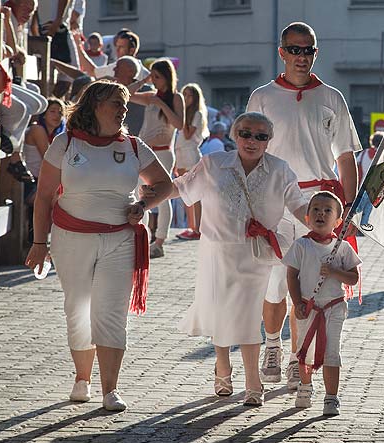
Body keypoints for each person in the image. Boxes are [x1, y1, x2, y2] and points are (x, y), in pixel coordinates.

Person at [24, 81, 172, 411]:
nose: (123, 109)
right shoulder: (65, 144)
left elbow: (165, 185)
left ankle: (110, 390)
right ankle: (82, 379)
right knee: (78, 307)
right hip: (70, 238)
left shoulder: (134, 146)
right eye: (116, 103)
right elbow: (45, 197)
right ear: (94, 105)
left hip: (121, 238)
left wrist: (143, 207)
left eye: (124, 104)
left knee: (111, 311)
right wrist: (38, 243)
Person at [160, 112, 308, 406]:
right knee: (220, 310)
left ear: (269, 141)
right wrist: (145, 199)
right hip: (216, 251)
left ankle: (252, 380)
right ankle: (223, 366)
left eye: (260, 136)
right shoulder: (213, 164)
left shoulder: (280, 170)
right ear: (233, 135)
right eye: (245, 133)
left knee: (250, 315)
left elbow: (299, 205)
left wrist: (325, 223)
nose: (251, 140)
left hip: (257, 253)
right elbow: (180, 187)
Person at [246, 22, 361, 390]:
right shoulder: (262, 96)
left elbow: (345, 157)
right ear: (281, 53)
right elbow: (249, 151)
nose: (301, 57)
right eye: (294, 49)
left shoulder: (332, 97)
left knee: (310, 285)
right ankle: (272, 345)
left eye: (308, 50)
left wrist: (347, 209)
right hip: (275, 200)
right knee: (276, 282)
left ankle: (300, 359)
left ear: (315, 53)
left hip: (319, 204)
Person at [283, 191, 361, 416]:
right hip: (308, 307)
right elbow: (291, 276)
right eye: (316, 209)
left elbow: (353, 278)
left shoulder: (342, 247)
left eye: (328, 210)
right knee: (304, 349)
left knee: (331, 352)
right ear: (307, 217)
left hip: (334, 307)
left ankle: (331, 397)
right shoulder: (301, 246)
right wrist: (297, 302)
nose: (321, 213)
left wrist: (335, 271)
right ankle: (305, 387)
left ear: (338, 221)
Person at [131, 58, 184, 258]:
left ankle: (159, 241)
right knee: (139, 193)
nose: (154, 81)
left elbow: (179, 124)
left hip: (163, 151)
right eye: (153, 77)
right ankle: (141, 237)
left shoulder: (175, 98)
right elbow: (126, 94)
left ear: (167, 77)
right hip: (145, 151)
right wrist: (143, 80)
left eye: (157, 77)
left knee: (163, 196)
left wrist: (161, 103)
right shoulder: (150, 96)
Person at [174, 83, 209, 241]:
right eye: (184, 94)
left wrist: (182, 116)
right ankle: (191, 226)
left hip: (190, 154)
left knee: (194, 194)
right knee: (184, 194)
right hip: (180, 154)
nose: (186, 98)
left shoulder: (196, 114)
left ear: (195, 98)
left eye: (189, 95)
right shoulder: (184, 114)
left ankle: (198, 228)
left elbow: (188, 135)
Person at [23, 98, 65, 204]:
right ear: (44, 114)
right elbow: (50, 160)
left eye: (60, 112)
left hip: (43, 182)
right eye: (52, 111)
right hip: (29, 183)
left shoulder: (56, 135)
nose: (57, 115)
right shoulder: (37, 129)